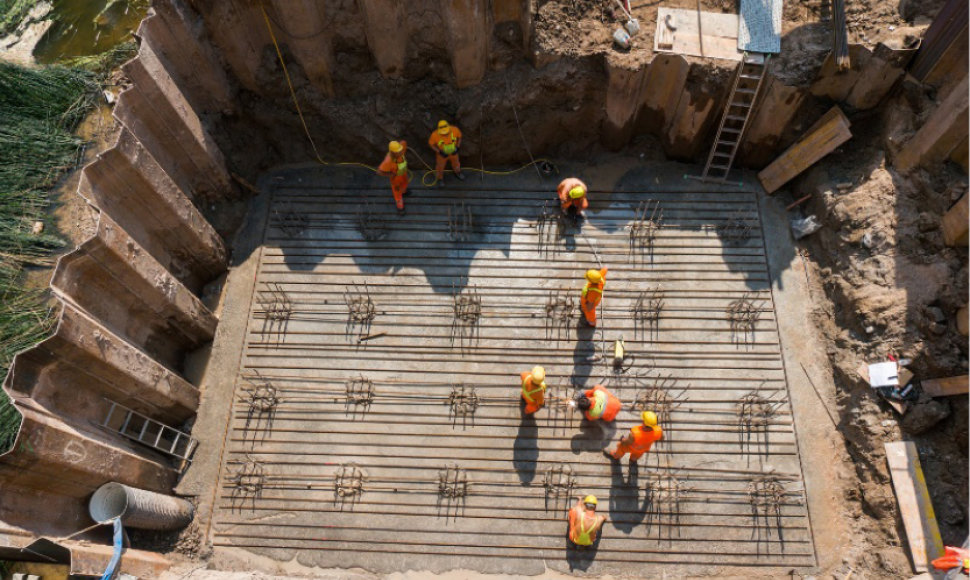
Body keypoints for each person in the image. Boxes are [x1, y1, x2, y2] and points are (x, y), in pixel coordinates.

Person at [377, 140, 409, 214]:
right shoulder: (388, 161)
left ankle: (404, 191)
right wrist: (390, 175)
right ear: (393, 152)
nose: (401, 152)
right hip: (396, 178)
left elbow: (404, 142)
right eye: (398, 152)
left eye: (401, 150)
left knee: (405, 183)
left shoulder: (401, 147)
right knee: (397, 192)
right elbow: (379, 172)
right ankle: (400, 207)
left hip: (403, 173)